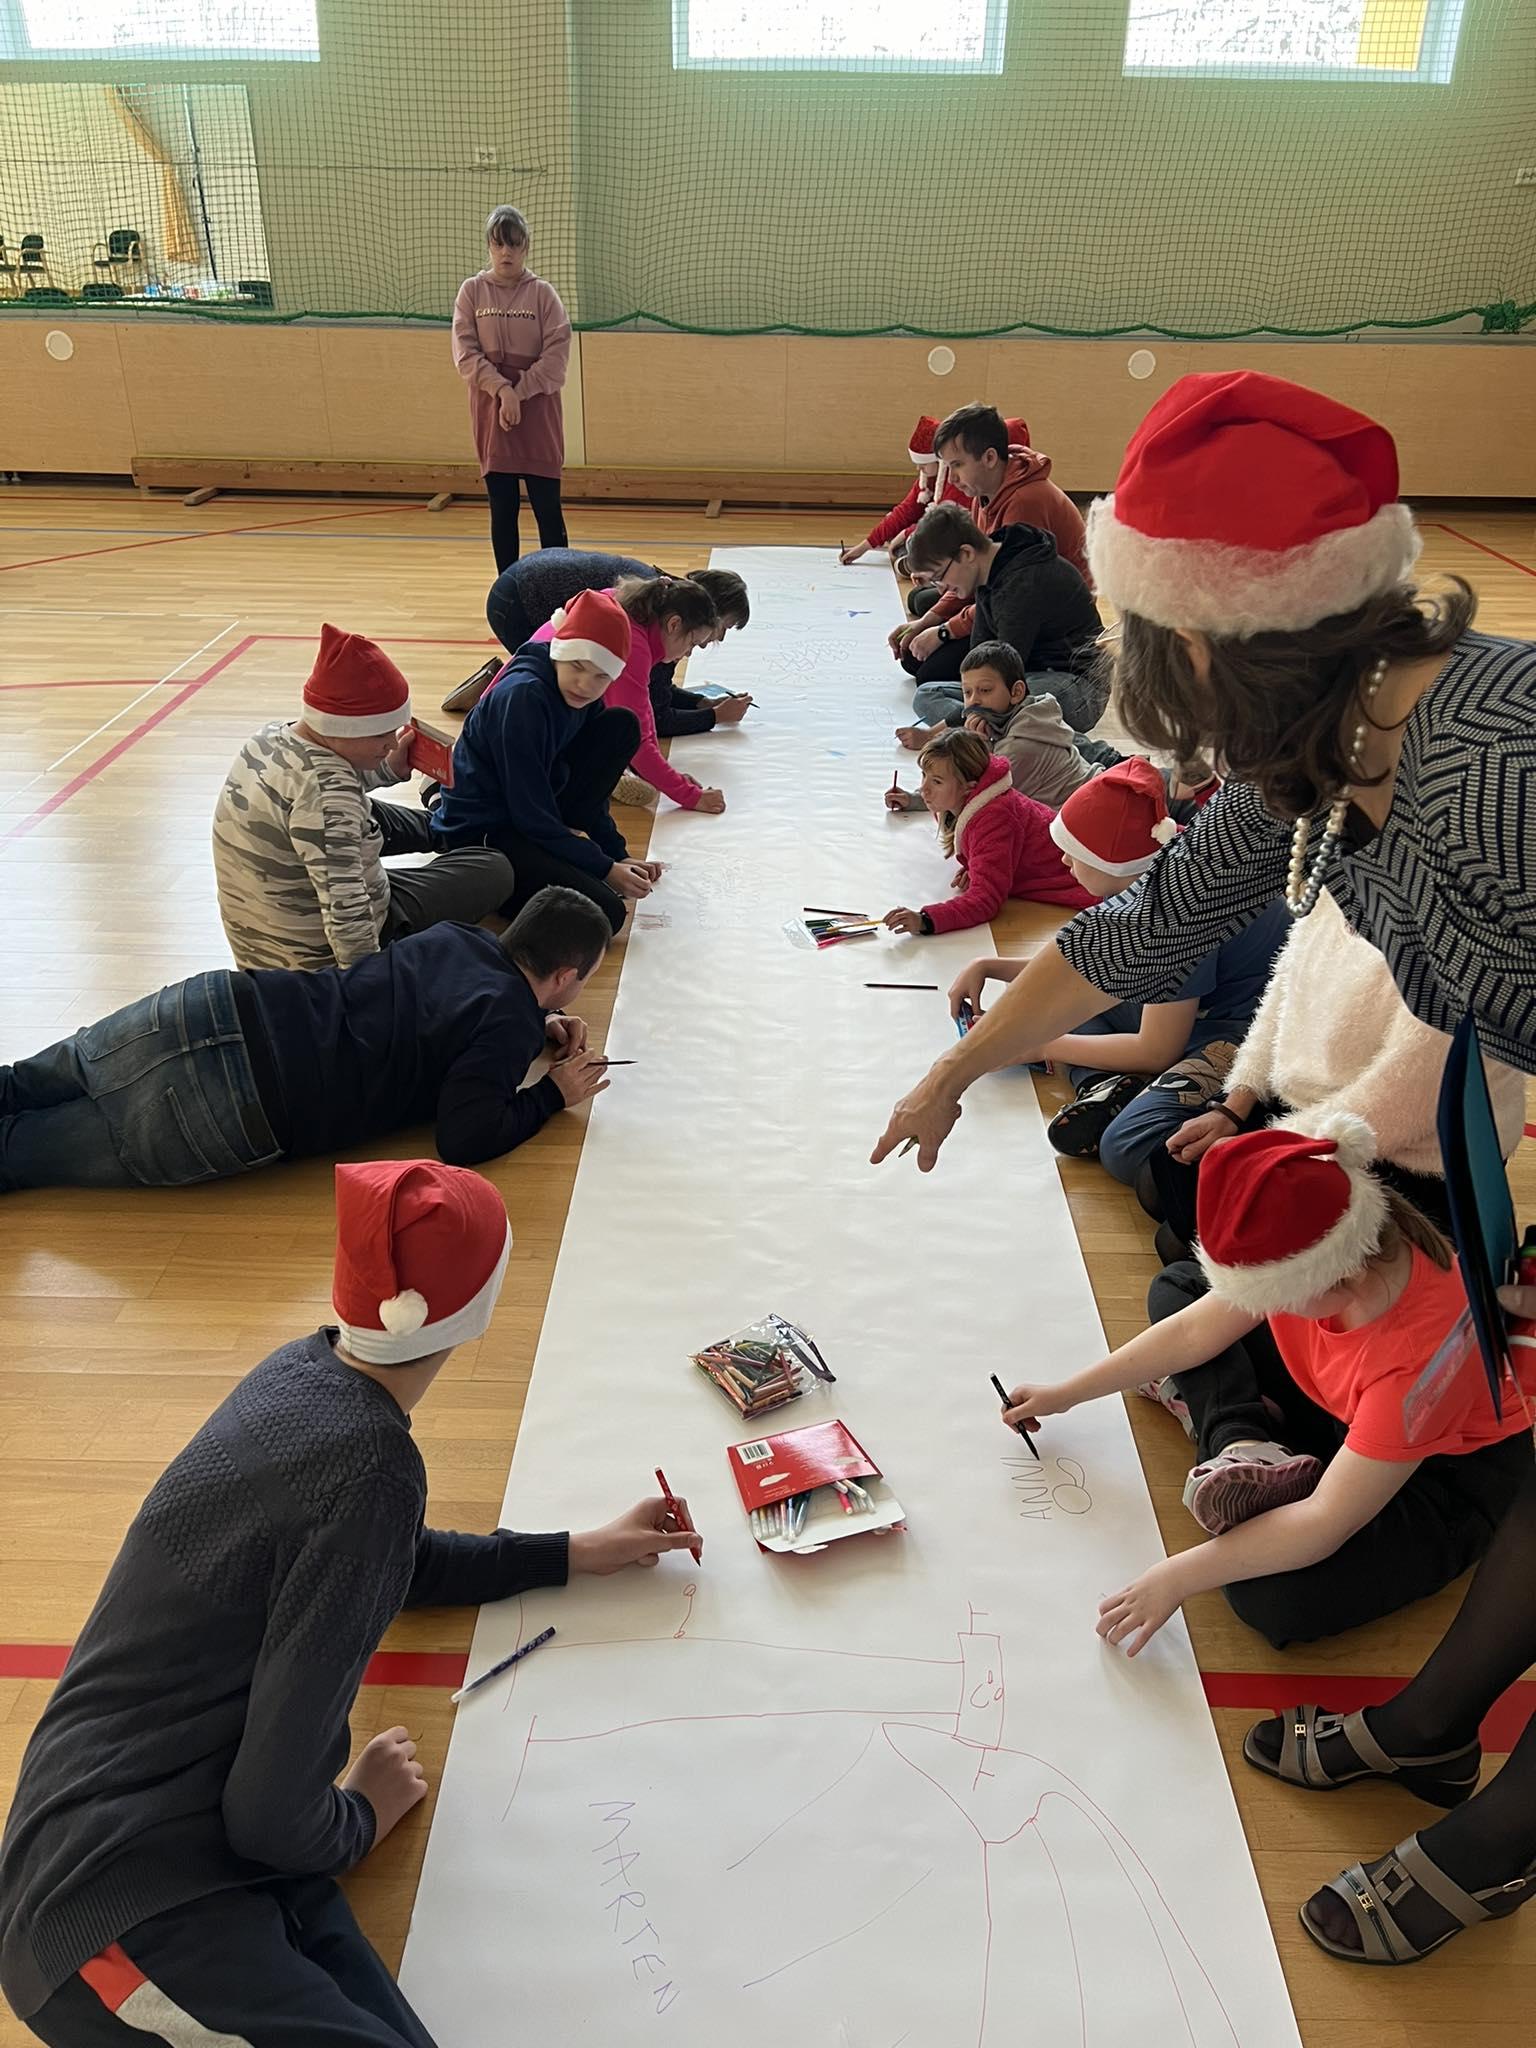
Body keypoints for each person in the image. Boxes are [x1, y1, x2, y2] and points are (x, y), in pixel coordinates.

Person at [0, 1157, 702, 2046]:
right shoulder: (369, 1468)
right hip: (109, 1914)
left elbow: (380, 1559)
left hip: (212, 1850)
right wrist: (359, 1819)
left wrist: (571, 1553)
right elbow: (271, 1814)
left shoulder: (300, 1375)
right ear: (478, 1311)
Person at [873, 372, 1536, 1184]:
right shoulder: (1315, 742)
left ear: (1201, 646)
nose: (1214, 756)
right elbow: (1143, 925)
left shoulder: (1497, 763)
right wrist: (950, 1075)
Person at [999, 1118, 1533, 1654]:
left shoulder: (1419, 1367)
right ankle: (1244, 1444)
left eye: (1270, 1296)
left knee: (1271, 1599)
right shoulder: (1336, 1251)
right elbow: (1194, 1330)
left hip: (1443, 1476)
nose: (1259, 1306)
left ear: (1338, 1279)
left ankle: (1244, 1436)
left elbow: (1325, 1522)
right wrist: (1065, 1393)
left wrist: (1175, 1576)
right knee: (1180, 1287)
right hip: (1343, 1408)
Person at [0, 888, 615, 1195]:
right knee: (18, 1151)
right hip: (237, 1106)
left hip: (216, 1005)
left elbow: (448, 1005)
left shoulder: (459, 936)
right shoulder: (509, 1024)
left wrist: (536, 1021)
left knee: (21, 1082)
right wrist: (551, 1095)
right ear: (565, 976)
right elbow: (465, 1137)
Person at [948, 759, 1287, 1176]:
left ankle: (1145, 1096)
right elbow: (1084, 968)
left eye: (1074, 854)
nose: (1064, 862)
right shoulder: (1151, 862)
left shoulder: (1175, 909)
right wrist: (990, 965)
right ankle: (1104, 1088)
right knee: (1058, 1005)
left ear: (1110, 862)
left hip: (1238, 1033)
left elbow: (1155, 1050)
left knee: (1126, 1146)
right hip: (1192, 1009)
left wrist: (1040, 1046)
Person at [1154, 885, 1529, 1245]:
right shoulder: (1344, 875)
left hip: (1411, 1156)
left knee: (1193, 1235)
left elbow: (1400, 1101)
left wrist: (1268, 1150)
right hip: (1315, 1112)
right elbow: (1283, 994)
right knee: (1168, 1171)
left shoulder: (1468, 932)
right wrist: (1235, 1104)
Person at [212, 625, 513, 973]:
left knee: (372, 814)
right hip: (312, 962)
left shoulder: (269, 739)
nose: (392, 743)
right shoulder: (330, 802)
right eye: (380, 735)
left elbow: (324, 782)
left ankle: (446, 828)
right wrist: (370, 986)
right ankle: (452, 837)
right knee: (495, 869)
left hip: (269, 939)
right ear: (342, 728)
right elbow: (347, 916)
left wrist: (385, 769)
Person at [430, 589, 655, 933]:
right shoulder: (523, 698)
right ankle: (480, 881)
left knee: (621, 724)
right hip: (485, 830)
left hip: (530, 808)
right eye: (577, 666)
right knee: (605, 915)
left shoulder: (578, 695)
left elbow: (591, 794)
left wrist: (616, 854)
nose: (585, 685)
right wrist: (603, 868)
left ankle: (554, 853)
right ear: (558, 652)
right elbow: (530, 814)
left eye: (601, 676)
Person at [891, 403, 1090, 677]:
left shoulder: (1025, 503)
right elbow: (979, 571)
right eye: (947, 466)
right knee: (921, 604)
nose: (952, 478)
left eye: (957, 465)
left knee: (925, 667)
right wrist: (927, 622)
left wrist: (944, 631)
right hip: (1003, 594)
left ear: (989, 458)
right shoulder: (982, 493)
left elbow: (1012, 594)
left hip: (1045, 622)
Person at [529, 574, 726, 814]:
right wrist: (691, 796)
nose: (688, 654)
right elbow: (638, 740)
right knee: (612, 736)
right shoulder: (633, 645)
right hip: (529, 730)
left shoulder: (632, 611)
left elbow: (642, 714)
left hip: (532, 706)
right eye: (692, 643)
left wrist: (668, 775)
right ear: (674, 624)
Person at [899, 505, 1106, 733]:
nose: (940, 589)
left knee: (1005, 703)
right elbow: (980, 659)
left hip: (1077, 687)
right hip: (1028, 675)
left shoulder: (1022, 584)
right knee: (927, 694)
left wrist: (935, 732)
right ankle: (990, 732)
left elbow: (1002, 673)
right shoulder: (989, 572)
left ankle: (987, 734)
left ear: (966, 554)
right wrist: (972, 701)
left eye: (939, 577)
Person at [881, 730, 1094, 937]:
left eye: (936, 781)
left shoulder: (994, 819)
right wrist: (976, 863)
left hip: (1090, 884)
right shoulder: (967, 799)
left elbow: (986, 900)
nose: (924, 789)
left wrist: (925, 920)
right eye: (924, 775)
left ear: (969, 787)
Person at [452, 205, 572, 572]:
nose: (507, 252)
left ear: (526, 248)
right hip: (493, 417)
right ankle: (509, 589)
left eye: (515, 245)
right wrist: (502, 392)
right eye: (499, 244)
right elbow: (465, 354)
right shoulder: (472, 292)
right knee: (503, 509)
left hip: (539, 416)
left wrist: (517, 394)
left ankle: (560, 589)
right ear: (489, 246)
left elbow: (557, 357)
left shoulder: (543, 295)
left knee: (547, 509)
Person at [894, 641, 1122, 805]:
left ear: (1016, 692)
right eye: (967, 692)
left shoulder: (1019, 747)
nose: (973, 702)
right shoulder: (1016, 718)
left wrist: (979, 749)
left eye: (985, 690)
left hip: (1094, 813)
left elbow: (975, 800)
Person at [839, 414, 970, 576]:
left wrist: (907, 533)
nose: (918, 469)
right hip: (933, 526)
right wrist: (864, 547)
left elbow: (945, 523)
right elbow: (905, 511)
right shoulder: (926, 479)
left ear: (939, 461)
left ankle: (918, 561)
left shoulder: (954, 483)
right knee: (893, 525)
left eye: (923, 464)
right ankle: (913, 557)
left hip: (956, 531)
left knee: (924, 539)